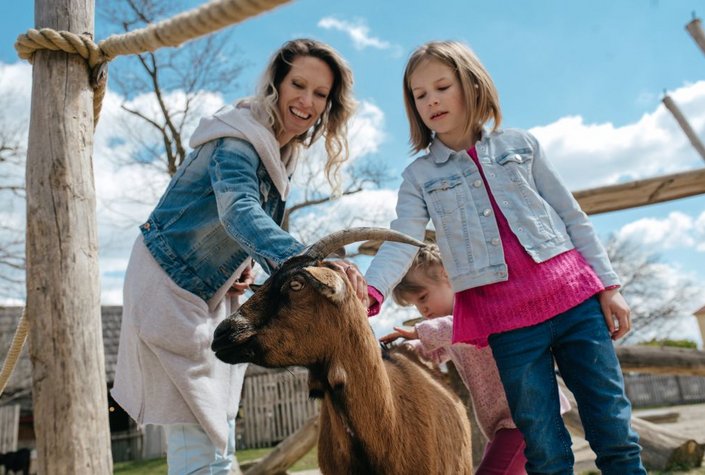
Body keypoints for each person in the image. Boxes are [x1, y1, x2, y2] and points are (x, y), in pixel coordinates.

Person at [365, 41, 646, 474]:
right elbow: (402, 236)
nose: (431, 100)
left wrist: (609, 286)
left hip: (575, 304)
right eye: (419, 95)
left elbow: (573, 217)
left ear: (472, 85)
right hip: (509, 326)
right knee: (545, 450)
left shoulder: (522, 145)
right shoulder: (419, 177)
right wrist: (371, 289)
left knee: (614, 431)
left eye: (442, 86)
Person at [111, 38, 363, 475]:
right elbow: (238, 209)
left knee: (219, 432)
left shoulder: (282, 154)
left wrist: (239, 266)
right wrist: (309, 261)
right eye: (298, 85)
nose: (306, 101)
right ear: (276, 85)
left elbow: (232, 227)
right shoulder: (238, 139)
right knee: (198, 432)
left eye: (320, 94)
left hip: (209, 291)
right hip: (169, 285)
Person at [380, 243, 571, 475]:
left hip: (529, 415)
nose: (423, 309)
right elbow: (437, 350)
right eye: (416, 305)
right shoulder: (451, 327)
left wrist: (420, 331)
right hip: (505, 424)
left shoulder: (479, 307)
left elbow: (460, 327)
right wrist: (404, 350)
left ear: (446, 274)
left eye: (423, 297)